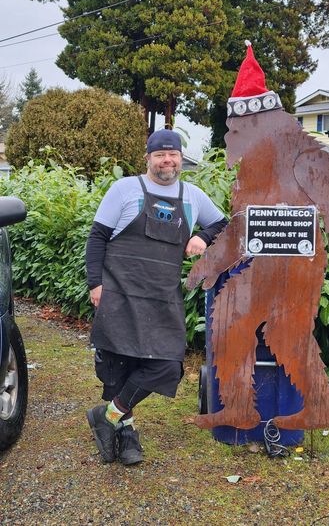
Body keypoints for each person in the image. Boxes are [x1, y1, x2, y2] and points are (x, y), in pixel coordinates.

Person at [85, 129, 227, 465]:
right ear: (147, 158)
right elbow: (97, 238)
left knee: (166, 366)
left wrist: (205, 236)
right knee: (120, 365)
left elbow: (226, 225)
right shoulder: (124, 190)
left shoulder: (192, 196)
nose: (168, 160)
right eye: (160, 154)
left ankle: (107, 415)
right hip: (120, 291)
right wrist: (95, 284)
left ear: (180, 158)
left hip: (163, 297)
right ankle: (126, 433)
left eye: (173, 154)